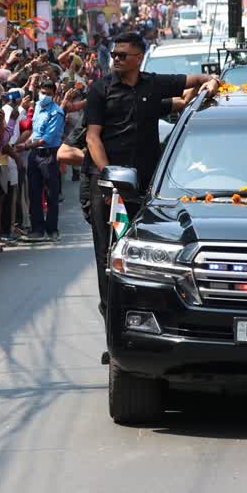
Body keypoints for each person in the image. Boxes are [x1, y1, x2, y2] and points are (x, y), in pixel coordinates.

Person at [84, 32, 219, 348]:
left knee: (148, 257)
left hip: (147, 191)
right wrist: (109, 178)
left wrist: (211, 83)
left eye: (122, 55)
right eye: (114, 54)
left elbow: (199, 80)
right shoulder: (101, 90)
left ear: (138, 58)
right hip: (111, 191)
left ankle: (148, 325)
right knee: (111, 258)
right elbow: (92, 138)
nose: (115, 59)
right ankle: (113, 336)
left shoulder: (153, 85)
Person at [23, 80, 66, 242]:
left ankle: (52, 229)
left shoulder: (57, 113)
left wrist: (24, 146)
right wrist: (24, 145)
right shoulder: (37, 110)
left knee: (51, 194)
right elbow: (33, 132)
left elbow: (46, 139)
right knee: (34, 193)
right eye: (43, 93)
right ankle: (37, 229)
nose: (45, 96)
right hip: (34, 155)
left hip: (49, 155)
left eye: (48, 94)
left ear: (54, 95)